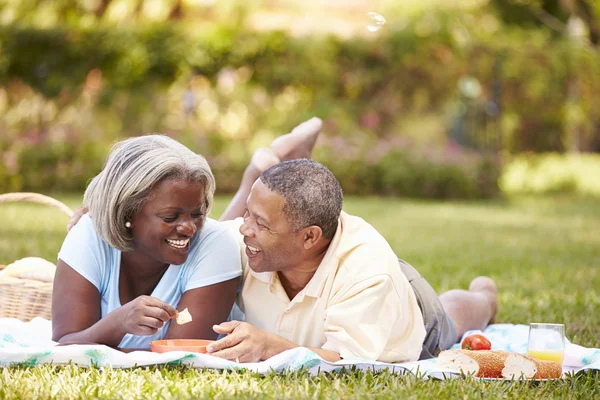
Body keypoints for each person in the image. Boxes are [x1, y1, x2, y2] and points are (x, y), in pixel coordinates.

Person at [204, 154, 497, 363]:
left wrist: (268, 346)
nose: (245, 228)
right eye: (247, 213)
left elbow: (345, 363)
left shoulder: (368, 272)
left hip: (406, 309)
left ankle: (485, 296)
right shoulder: (247, 242)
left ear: (309, 237)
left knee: (454, 317)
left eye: (261, 224)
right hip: (356, 285)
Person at [53, 135, 242, 350]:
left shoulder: (216, 245)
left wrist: (94, 344)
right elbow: (64, 346)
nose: (189, 228)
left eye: (197, 214)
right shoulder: (89, 235)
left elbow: (180, 358)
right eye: (170, 217)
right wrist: (119, 322)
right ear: (128, 212)